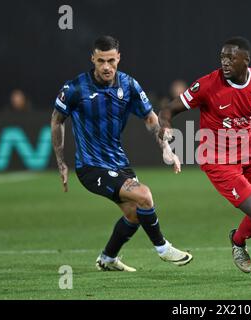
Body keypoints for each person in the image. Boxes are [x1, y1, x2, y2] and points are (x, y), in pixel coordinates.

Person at [50, 35, 193, 272]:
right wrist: (61, 162)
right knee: (144, 195)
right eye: (101, 61)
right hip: (90, 167)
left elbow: (150, 118)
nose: (106, 67)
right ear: (93, 59)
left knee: (135, 214)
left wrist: (167, 150)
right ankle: (163, 248)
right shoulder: (75, 88)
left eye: (111, 61)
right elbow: (57, 120)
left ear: (119, 58)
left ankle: (107, 258)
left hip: (118, 162)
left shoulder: (128, 85)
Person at [159, 37, 251, 273]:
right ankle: (237, 241)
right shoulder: (207, 85)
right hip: (218, 160)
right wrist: (165, 131)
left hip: (249, 153)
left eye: (231, 58)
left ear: (246, 60)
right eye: (222, 57)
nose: (225, 62)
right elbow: (168, 110)